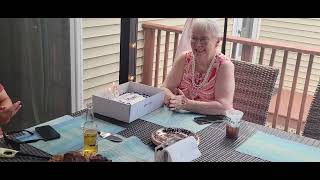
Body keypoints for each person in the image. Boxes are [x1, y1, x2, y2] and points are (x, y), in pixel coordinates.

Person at [161, 18, 235, 115]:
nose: (197, 44)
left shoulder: (224, 66)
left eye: (203, 40)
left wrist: (186, 104)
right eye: (194, 38)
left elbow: (224, 107)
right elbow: (164, 89)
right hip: (180, 118)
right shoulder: (184, 58)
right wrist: (176, 100)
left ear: (217, 42)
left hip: (211, 123)